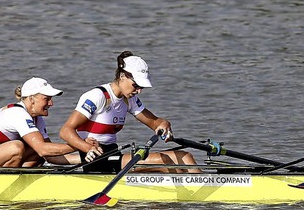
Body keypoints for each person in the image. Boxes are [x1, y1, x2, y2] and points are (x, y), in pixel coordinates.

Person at [59, 51, 199, 173]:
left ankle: (207, 187)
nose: (138, 91)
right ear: (122, 76)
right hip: (95, 159)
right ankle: (187, 196)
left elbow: (154, 122)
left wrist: (164, 124)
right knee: (163, 161)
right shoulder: (98, 96)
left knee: (184, 156)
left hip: (114, 156)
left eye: (141, 87)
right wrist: (87, 147)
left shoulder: (129, 99)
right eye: (136, 85)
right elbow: (65, 131)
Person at [0, 77, 87, 167]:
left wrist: (86, 157)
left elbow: (50, 155)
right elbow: (43, 149)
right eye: (46, 99)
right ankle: (8, 186)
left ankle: (22, 182)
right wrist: (80, 145)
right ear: (31, 99)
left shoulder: (37, 119)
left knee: (34, 150)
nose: (51, 103)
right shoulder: (17, 113)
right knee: (17, 147)